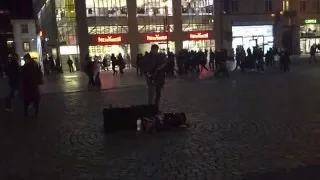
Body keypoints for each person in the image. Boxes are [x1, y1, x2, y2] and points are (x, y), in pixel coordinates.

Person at [141, 44, 166, 111]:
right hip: (151, 78)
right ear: (151, 49)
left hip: (158, 78)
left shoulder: (159, 57)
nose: (156, 51)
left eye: (156, 50)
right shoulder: (147, 57)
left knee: (158, 94)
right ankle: (150, 108)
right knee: (151, 94)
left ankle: (156, 107)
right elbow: (143, 67)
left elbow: (162, 67)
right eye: (154, 50)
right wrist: (148, 74)